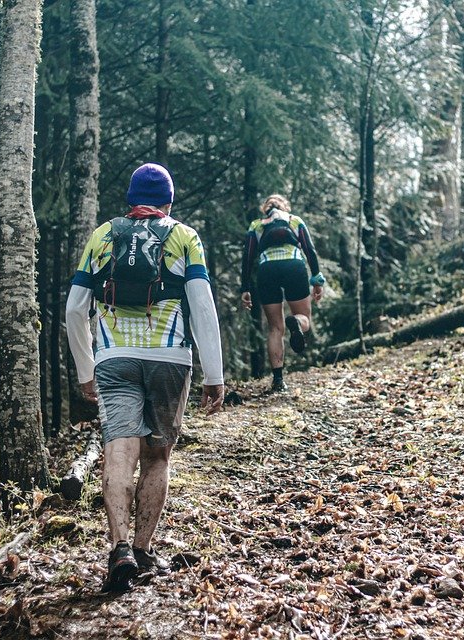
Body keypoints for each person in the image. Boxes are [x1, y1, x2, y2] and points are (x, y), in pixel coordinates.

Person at [66, 163, 225, 592]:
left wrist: (86, 371)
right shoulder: (184, 236)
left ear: (131, 201)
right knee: (157, 455)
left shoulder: (102, 235)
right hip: (171, 359)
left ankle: (117, 549)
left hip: (113, 358)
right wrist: (215, 374)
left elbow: (74, 309)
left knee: (119, 449)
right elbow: (203, 307)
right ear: (168, 202)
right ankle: (142, 550)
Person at [240, 194, 325, 392]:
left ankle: (278, 380)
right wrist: (317, 281)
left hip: (267, 270)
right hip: (293, 266)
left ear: (265, 209)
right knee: (304, 317)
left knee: (275, 328)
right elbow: (310, 251)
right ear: (285, 207)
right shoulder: (294, 221)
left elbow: (247, 257)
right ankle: (296, 321)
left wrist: (245, 288)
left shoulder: (256, 225)